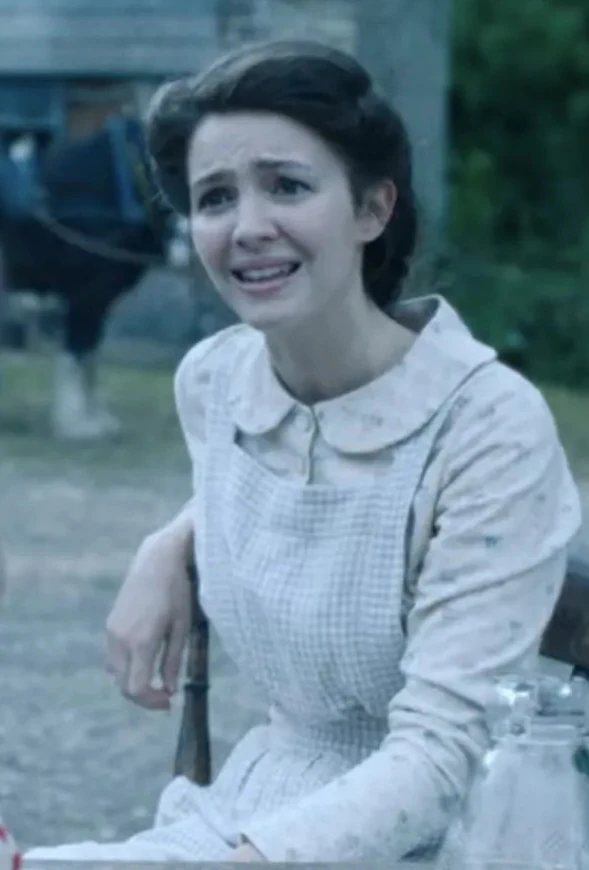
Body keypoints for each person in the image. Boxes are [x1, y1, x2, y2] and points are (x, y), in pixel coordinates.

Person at [26, 39, 581, 863]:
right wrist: (173, 541)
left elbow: (440, 756)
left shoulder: (487, 424)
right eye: (216, 197)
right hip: (261, 803)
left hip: (453, 832)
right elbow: (307, 499)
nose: (248, 228)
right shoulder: (215, 382)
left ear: (371, 209)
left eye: (286, 185)